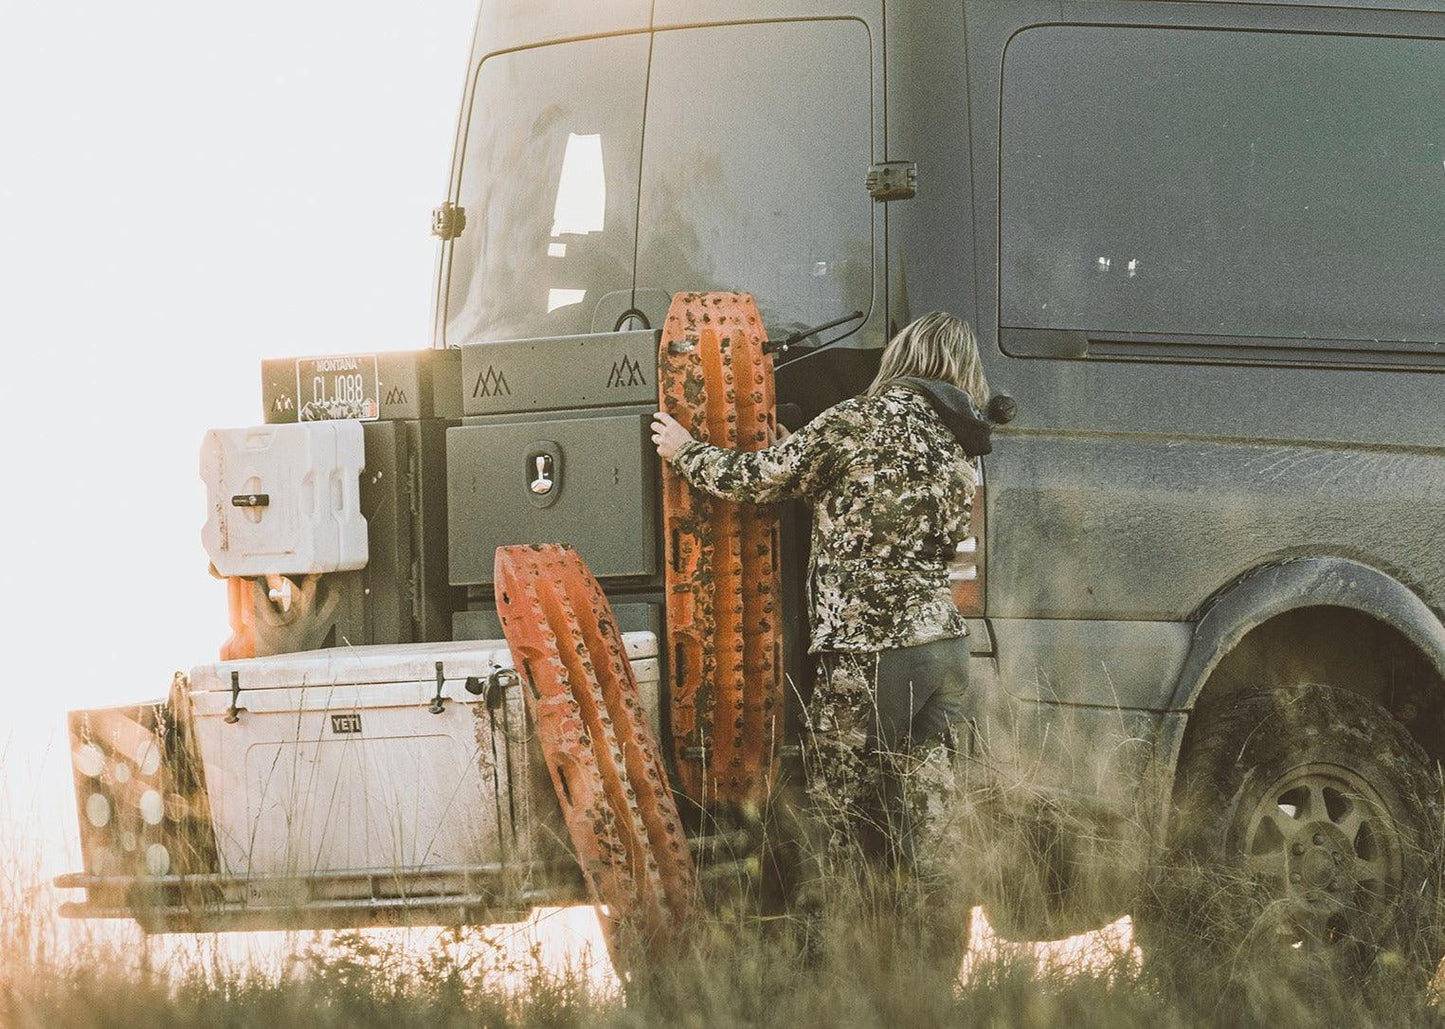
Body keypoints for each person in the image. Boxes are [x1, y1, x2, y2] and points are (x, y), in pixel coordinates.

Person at [651, 311, 992, 955]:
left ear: (903, 357)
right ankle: (934, 967)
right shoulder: (959, 446)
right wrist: (800, 450)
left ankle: (833, 963)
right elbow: (890, 520)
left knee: (837, 816)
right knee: (930, 823)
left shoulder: (857, 419)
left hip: (868, 654)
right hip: (942, 650)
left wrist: (684, 449)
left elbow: (755, 481)